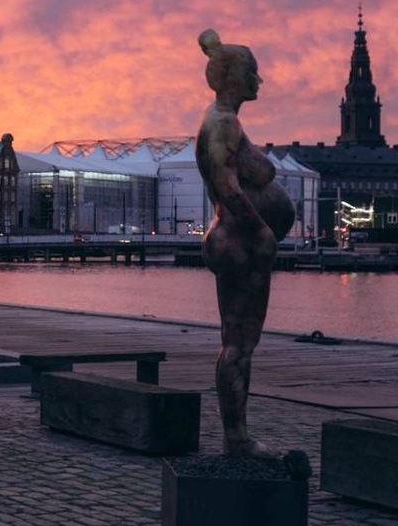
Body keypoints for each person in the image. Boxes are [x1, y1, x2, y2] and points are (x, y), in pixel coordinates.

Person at [196, 30, 295, 457]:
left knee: (240, 342)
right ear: (233, 76)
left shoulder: (224, 120)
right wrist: (262, 232)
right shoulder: (223, 123)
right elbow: (227, 186)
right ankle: (237, 438)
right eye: (253, 71)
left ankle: (238, 434)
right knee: (238, 342)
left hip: (242, 244)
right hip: (241, 245)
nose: (260, 79)